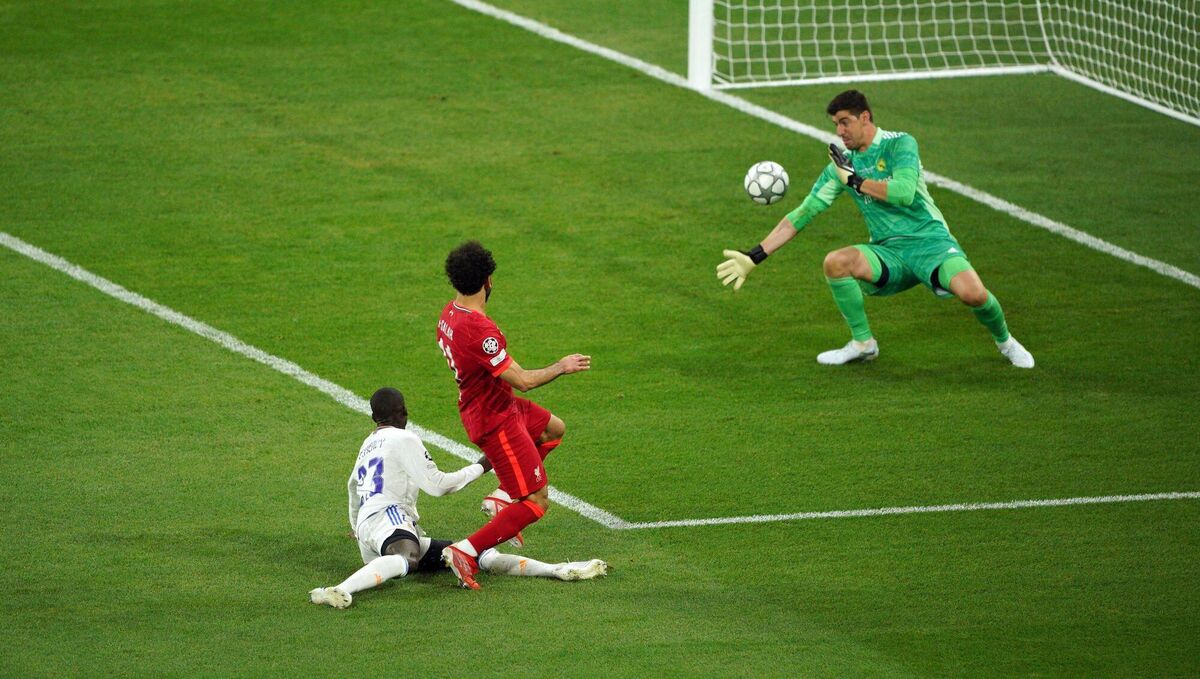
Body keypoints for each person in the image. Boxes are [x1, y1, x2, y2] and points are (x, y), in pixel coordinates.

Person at [717, 89, 1034, 369]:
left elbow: (904, 192)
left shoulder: (899, 144)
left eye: (844, 122)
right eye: (835, 125)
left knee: (974, 294)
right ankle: (863, 344)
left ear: (864, 117)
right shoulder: (840, 168)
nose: (839, 131)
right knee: (835, 262)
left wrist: (855, 181)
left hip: (930, 243)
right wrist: (755, 256)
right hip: (888, 252)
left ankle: (1005, 342)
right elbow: (802, 214)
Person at [309, 387, 606, 608]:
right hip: (389, 518)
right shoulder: (404, 438)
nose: (406, 415)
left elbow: (352, 487)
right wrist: (479, 467)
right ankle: (337, 589)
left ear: (374, 417)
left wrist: (357, 527)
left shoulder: (368, 444)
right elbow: (438, 486)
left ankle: (556, 570)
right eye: (403, 410)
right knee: (406, 558)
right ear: (402, 413)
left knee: (474, 553)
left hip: (370, 529)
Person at [435, 241, 591, 589]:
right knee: (536, 501)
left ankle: (500, 497)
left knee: (553, 430)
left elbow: (501, 372)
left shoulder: (450, 314)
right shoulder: (479, 330)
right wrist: (561, 366)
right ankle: (466, 550)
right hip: (495, 420)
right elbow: (521, 381)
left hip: (496, 404)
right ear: (488, 280)